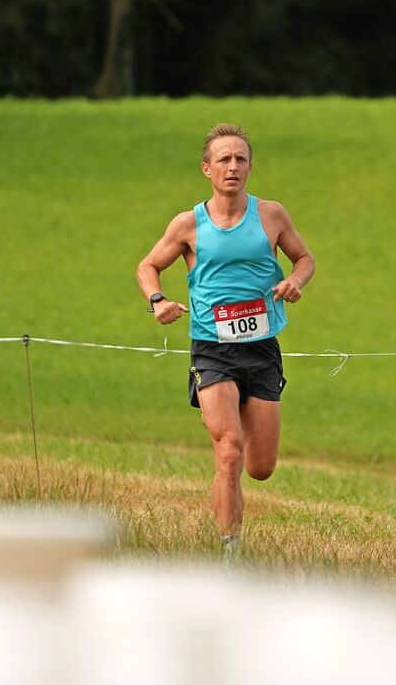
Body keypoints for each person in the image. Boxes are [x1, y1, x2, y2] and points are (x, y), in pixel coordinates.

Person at [136, 123, 315, 559]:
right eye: (224, 160)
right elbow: (147, 265)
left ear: (250, 167)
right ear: (207, 169)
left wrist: (294, 281)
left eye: (240, 159)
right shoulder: (188, 224)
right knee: (229, 453)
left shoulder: (271, 215)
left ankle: (232, 427)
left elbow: (304, 259)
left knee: (260, 467)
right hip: (211, 349)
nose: (232, 167)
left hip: (262, 349)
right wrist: (157, 300)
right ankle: (229, 554)